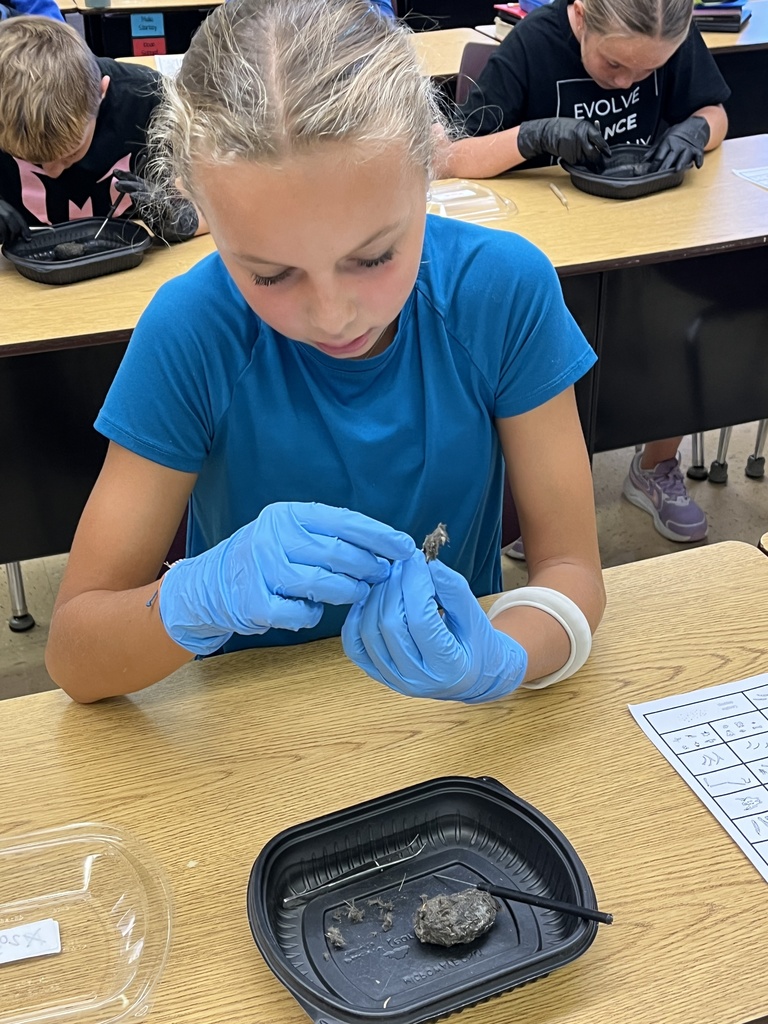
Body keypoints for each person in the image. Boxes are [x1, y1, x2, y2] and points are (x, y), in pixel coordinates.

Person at [45, 0, 606, 704]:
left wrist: (506, 654)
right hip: (257, 732)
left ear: (429, 171)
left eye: (373, 257)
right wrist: (196, 597)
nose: (334, 314)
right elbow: (76, 655)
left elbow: (570, 569)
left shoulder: (502, 291)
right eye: (270, 275)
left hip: (450, 729)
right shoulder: (192, 330)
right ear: (199, 212)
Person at [440, 0, 730, 547]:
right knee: (542, 363)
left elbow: (715, 111)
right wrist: (532, 137)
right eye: (616, 66)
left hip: (644, 230)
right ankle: (538, 490)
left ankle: (655, 465)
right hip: (550, 251)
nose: (628, 85)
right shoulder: (531, 46)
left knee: (680, 312)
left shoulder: (667, 35)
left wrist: (696, 129)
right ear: (579, 18)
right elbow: (451, 157)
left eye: (647, 74)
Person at [0, 17, 205, 246]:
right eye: (33, 161)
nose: (53, 172)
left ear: (102, 92)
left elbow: (220, 206)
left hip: (134, 261)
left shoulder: (150, 103)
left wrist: (184, 221)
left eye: (71, 154)